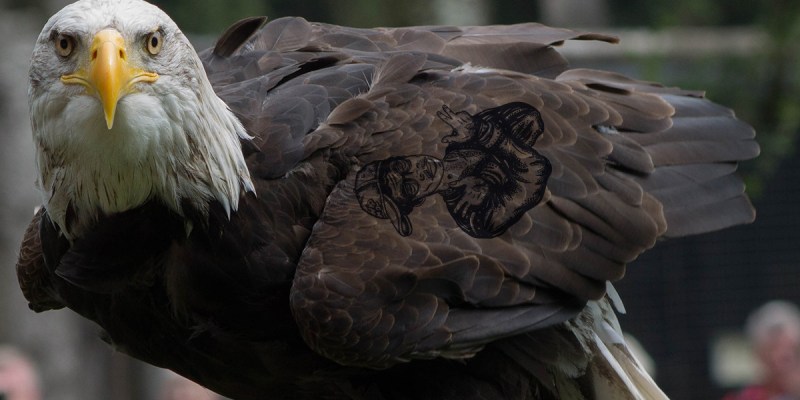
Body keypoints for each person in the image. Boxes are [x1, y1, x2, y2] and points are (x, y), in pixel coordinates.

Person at [354, 102, 551, 238]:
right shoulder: (474, 217)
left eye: (403, 167)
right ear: (419, 199)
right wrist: (489, 136)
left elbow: (529, 118)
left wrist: (479, 131)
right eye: (409, 187)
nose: (419, 173)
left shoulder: (463, 139)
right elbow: (536, 171)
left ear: (404, 156)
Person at [724, 301, 800, 400]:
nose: (782, 357)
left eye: (792, 349)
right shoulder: (743, 397)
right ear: (759, 355)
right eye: (773, 349)